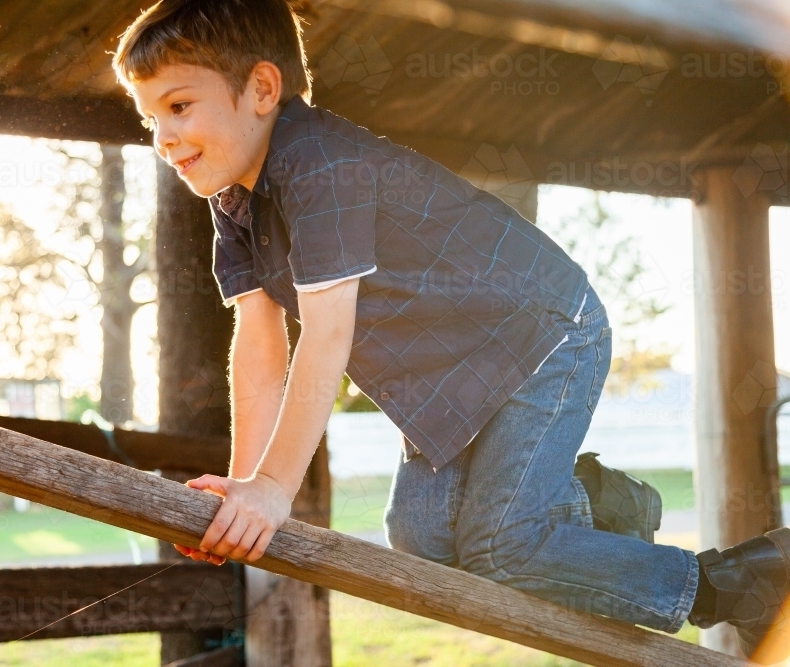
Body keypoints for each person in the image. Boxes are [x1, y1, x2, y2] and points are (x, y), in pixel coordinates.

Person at [111, 0, 790, 660]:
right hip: (451, 379)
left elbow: (324, 337)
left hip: (542, 333)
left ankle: (730, 582)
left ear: (262, 88)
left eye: (178, 106)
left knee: (502, 545)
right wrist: (243, 491)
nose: (162, 137)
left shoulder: (320, 165)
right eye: (149, 119)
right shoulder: (234, 200)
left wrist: (275, 491)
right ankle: (600, 506)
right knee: (423, 538)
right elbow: (260, 346)